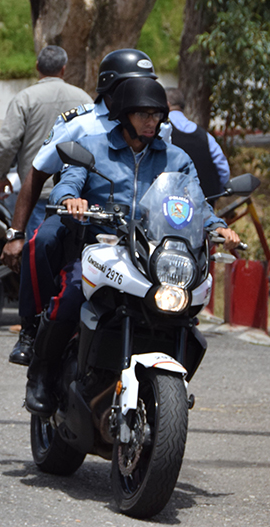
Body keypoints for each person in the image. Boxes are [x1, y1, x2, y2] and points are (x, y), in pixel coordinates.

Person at [23, 77, 240, 414]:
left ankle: (166, 392)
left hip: (152, 252)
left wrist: (217, 227)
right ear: (124, 115)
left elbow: (194, 201)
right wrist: (71, 199)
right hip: (101, 245)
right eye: (143, 115)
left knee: (186, 314)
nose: (151, 122)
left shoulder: (176, 158)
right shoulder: (93, 148)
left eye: (156, 115)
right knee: (72, 293)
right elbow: (69, 182)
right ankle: (41, 371)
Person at [0, 48, 165, 365]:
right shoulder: (81, 124)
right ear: (112, 88)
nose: (145, 94)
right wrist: (15, 233)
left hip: (138, 221)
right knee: (41, 242)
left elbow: (177, 176)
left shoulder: (156, 124)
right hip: (80, 215)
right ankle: (33, 327)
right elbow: (37, 173)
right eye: (136, 83)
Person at [0, 46, 90, 365]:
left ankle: (35, 326)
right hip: (79, 201)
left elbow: (7, 142)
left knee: (34, 259)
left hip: (37, 194)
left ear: (37, 67)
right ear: (63, 68)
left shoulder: (25, 99)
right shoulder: (84, 99)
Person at [165, 87, 229, 198]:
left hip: (171, 205)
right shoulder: (205, 136)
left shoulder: (161, 132)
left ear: (166, 105)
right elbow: (223, 168)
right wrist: (218, 192)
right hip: (204, 203)